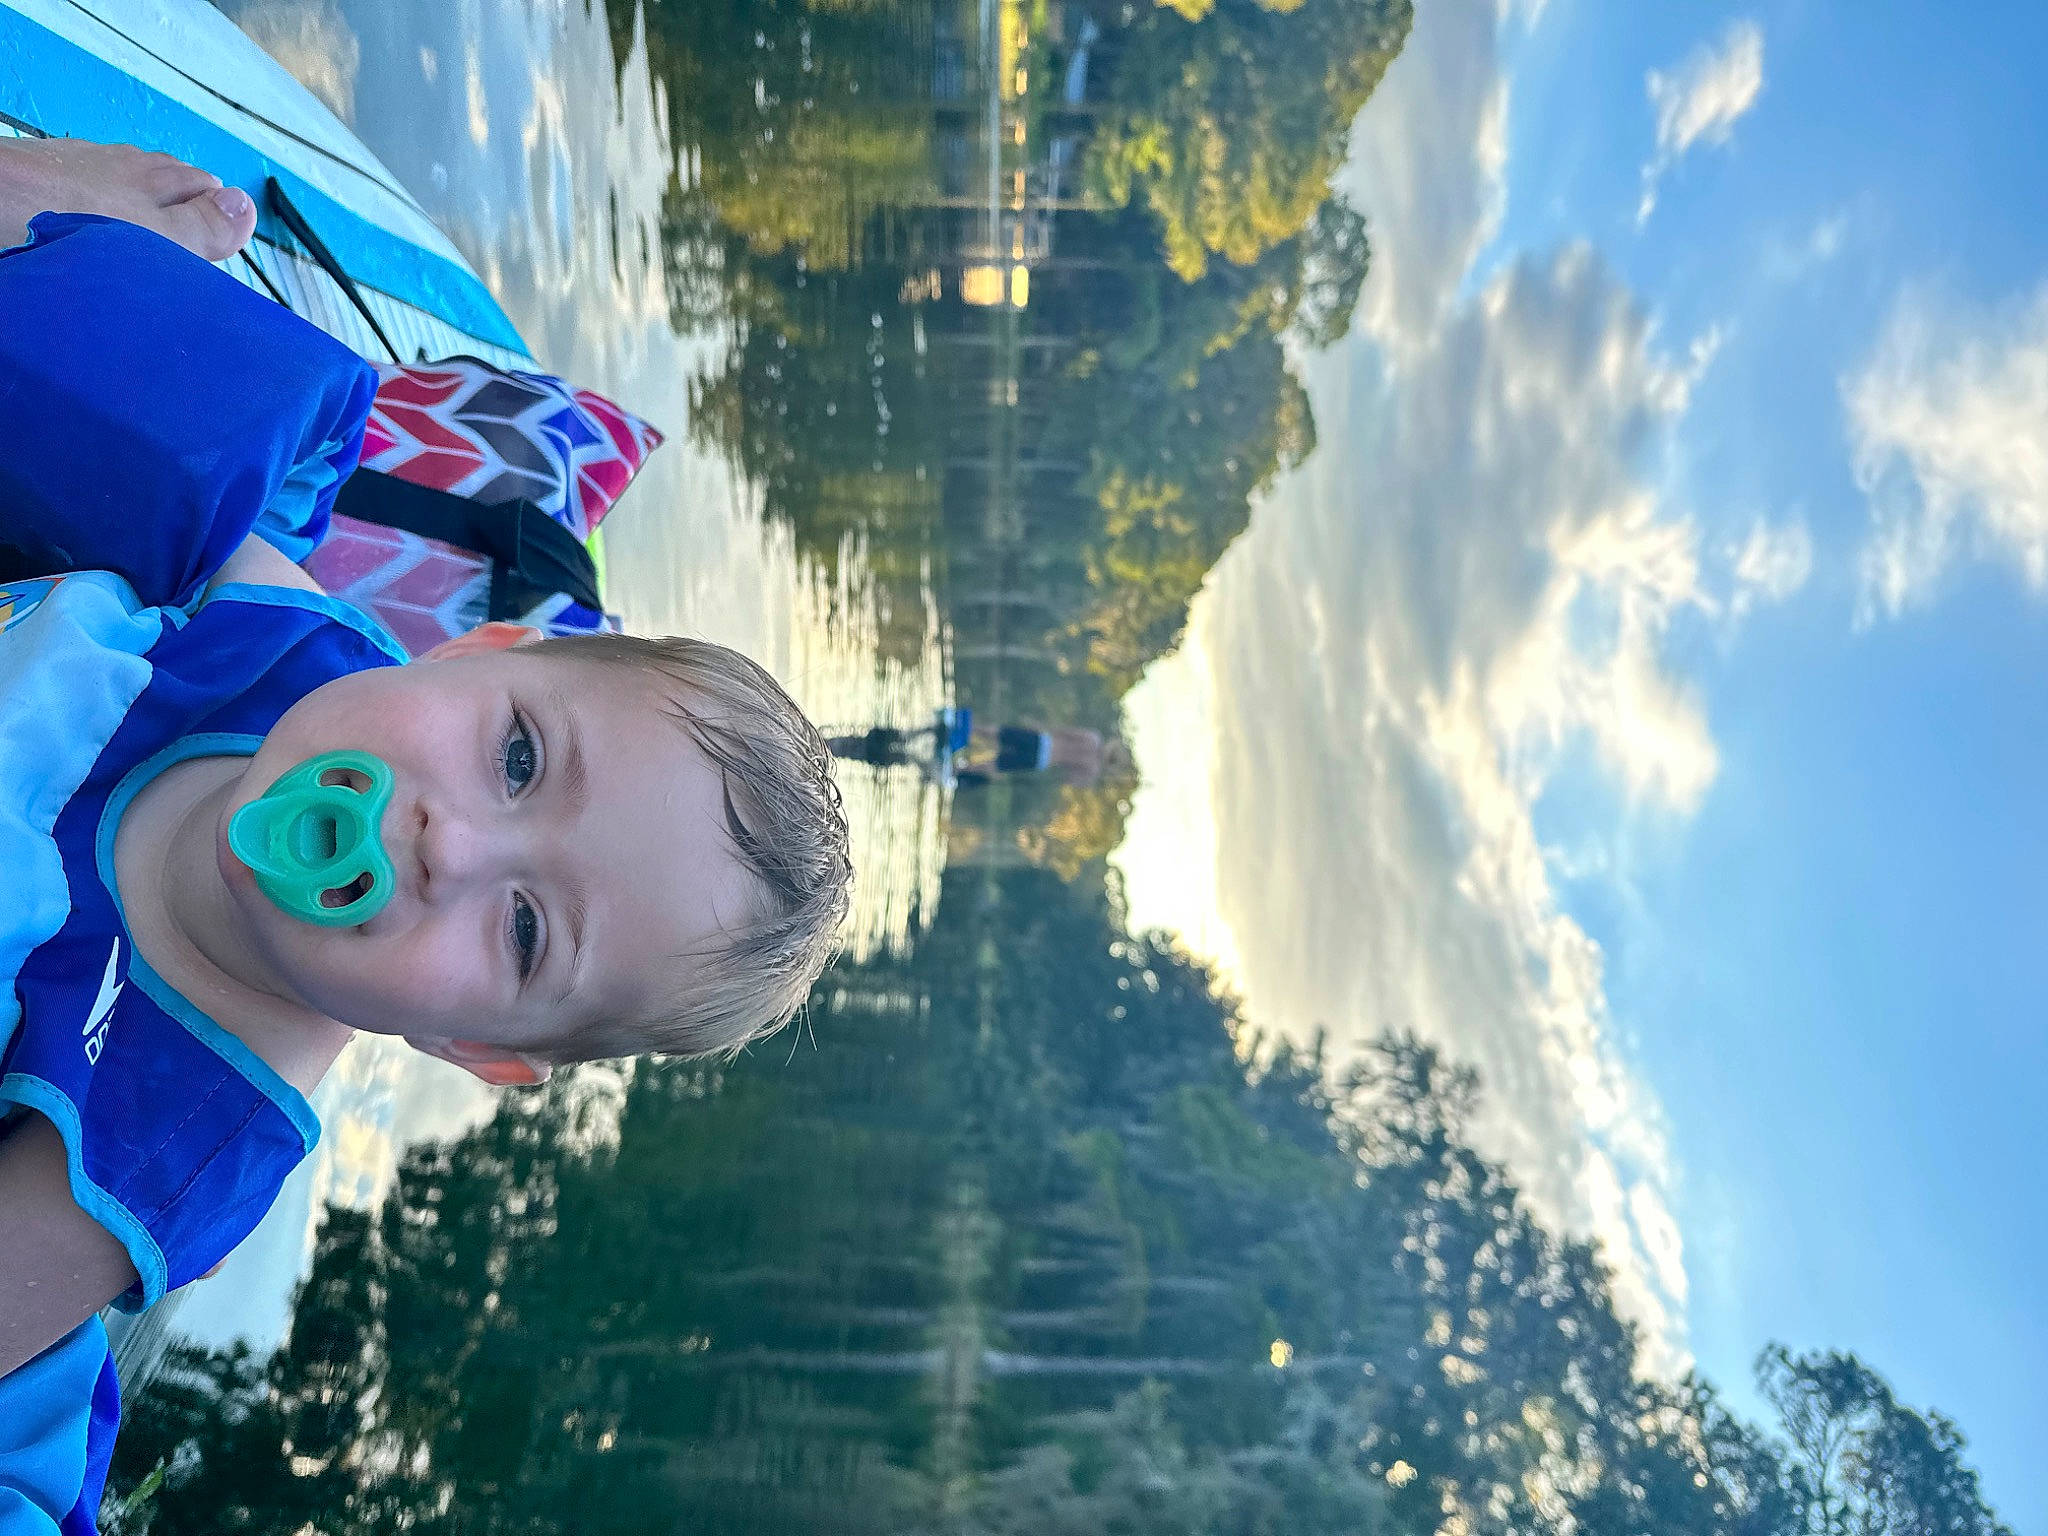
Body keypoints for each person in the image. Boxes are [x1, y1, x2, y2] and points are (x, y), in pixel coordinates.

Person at [0, 140, 852, 1532]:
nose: (453, 846)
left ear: (478, 1050)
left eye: (523, 932)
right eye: (517, 753)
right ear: (476, 647)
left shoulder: (182, 1137)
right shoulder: (287, 633)